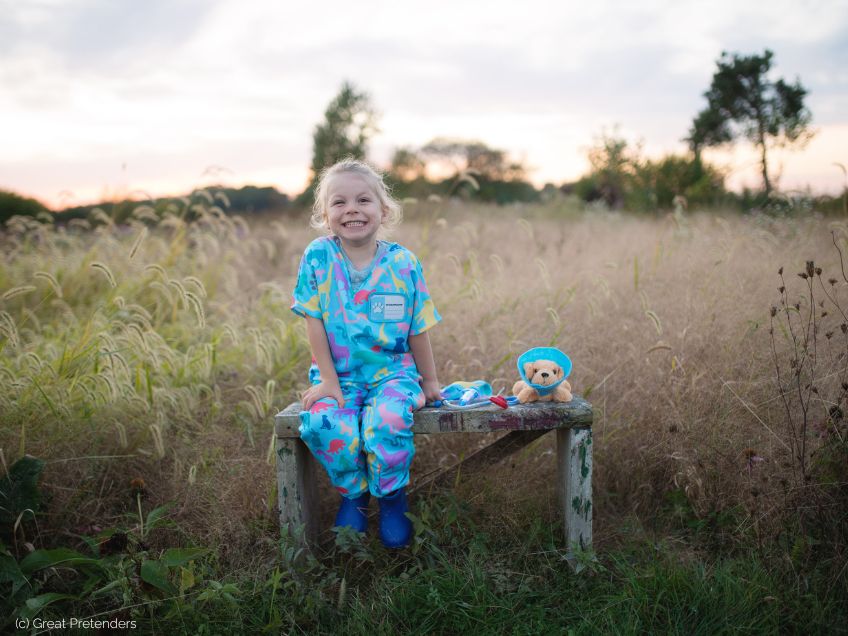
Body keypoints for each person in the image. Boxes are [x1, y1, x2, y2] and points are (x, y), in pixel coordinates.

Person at [290, 158, 441, 548]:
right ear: (325, 215)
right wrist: (327, 380)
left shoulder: (402, 264)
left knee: (388, 421)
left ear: (383, 210)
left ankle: (391, 497)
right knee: (325, 424)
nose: (352, 209)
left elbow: (417, 327)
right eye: (339, 203)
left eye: (363, 200)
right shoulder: (319, 258)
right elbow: (314, 321)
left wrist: (431, 380)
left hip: (393, 375)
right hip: (339, 376)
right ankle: (355, 496)